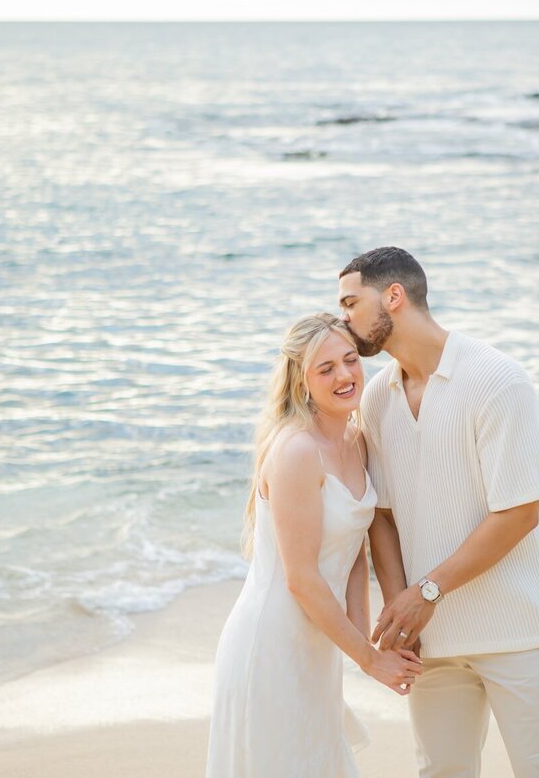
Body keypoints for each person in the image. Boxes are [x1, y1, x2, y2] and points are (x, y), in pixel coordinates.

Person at [338, 247, 539, 778]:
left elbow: (517, 514)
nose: (343, 318)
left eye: (351, 303)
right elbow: (383, 516)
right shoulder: (376, 399)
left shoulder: (497, 380)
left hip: (520, 629)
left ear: (393, 297)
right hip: (433, 641)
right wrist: (404, 610)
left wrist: (426, 593)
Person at [206, 312, 422, 778]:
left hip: (319, 643)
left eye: (350, 361)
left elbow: (353, 557)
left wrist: (364, 645)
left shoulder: (355, 439)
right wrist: (368, 659)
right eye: (326, 369)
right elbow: (301, 579)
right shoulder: (296, 452)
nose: (344, 375)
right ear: (302, 382)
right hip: (270, 643)